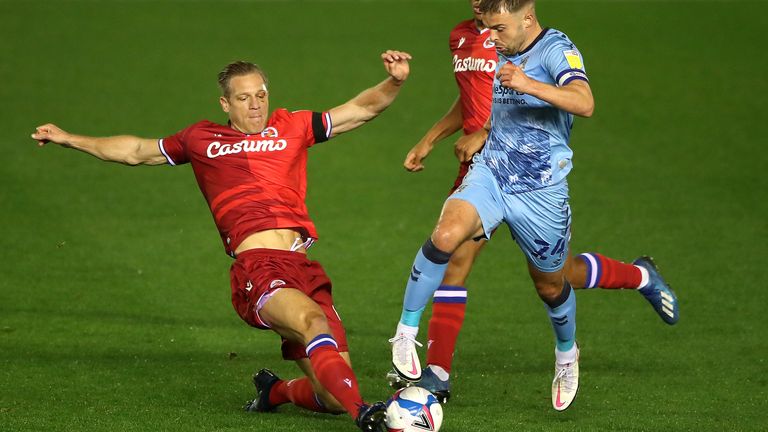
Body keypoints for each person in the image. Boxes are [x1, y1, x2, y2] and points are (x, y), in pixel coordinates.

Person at [32, 50, 412, 432]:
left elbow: (360, 109)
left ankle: (275, 392)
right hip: (258, 268)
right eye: (244, 98)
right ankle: (366, 414)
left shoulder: (292, 126)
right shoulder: (201, 139)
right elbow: (135, 152)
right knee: (313, 323)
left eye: (260, 95)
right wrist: (68, 139)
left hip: (304, 268)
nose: (255, 105)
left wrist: (394, 81)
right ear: (225, 103)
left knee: (330, 397)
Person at [388, 0, 679, 412]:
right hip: (490, 171)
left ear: (526, 17)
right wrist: (440, 137)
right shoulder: (479, 39)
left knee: (553, 281)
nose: (490, 36)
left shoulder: (555, 48)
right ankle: (418, 349)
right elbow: (482, 95)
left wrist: (526, 86)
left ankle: (585, 332)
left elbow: (584, 101)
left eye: (498, 28)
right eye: (486, 26)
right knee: (447, 240)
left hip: (541, 190)